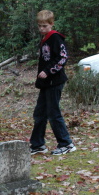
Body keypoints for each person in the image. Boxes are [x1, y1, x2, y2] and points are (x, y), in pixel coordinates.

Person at [29, 10, 76, 156]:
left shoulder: (55, 38)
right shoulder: (45, 39)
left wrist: (48, 71)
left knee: (53, 113)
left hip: (54, 81)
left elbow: (63, 57)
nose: (41, 29)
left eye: (44, 26)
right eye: (39, 26)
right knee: (40, 113)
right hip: (45, 83)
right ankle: (37, 145)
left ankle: (66, 143)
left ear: (51, 24)